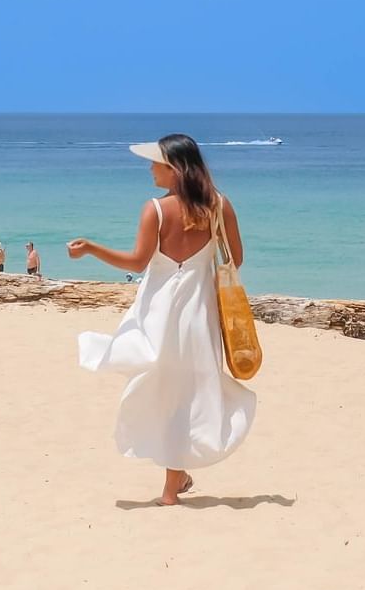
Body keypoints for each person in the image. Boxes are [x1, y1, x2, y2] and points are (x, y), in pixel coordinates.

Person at [71, 133, 255, 507]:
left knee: (163, 390)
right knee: (188, 395)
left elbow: (137, 263)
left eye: (155, 163)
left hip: (157, 315)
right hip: (199, 315)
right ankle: (174, 484)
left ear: (173, 168)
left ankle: (173, 486)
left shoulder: (154, 210)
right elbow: (235, 259)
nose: (150, 170)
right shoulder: (220, 205)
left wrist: (91, 249)